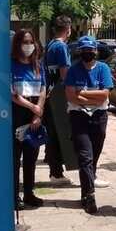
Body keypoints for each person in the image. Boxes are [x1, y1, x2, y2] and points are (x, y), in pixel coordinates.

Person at [65, 36, 114, 214]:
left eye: (90, 50)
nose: (88, 53)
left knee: (94, 157)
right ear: (80, 52)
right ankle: (90, 196)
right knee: (85, 156)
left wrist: (83, 94)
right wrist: (93, 96)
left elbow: (105, 95)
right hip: (79, 117)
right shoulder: (73, 70)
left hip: (99, 117)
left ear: (96, 51)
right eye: (84, 50)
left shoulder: (103, 69)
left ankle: (84, 192)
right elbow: (70, 96)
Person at [10, 29, 46, 210]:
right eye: (24, 42)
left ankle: (29, 193)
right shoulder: (11, 65)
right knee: (15, 158)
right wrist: (33, 108)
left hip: (35, 115)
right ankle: (14, 197)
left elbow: (43, 89)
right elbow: (12, 95)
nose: (28, 45)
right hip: (18, 113)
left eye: (31, 41)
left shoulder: (38, 65)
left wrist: (38, 113)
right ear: (17, 44)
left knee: (31, 156)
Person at [43, 16, 77, 186]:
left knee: (53, 133)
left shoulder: (49, 45)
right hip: (59, 94)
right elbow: (65, 75)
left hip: (50, 93)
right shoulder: (62, 47)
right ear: (68, 29)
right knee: (60, 135)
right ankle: (56, 173)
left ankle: (55, 170)